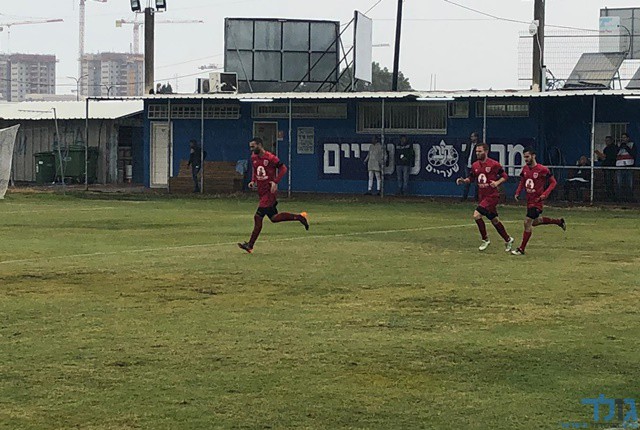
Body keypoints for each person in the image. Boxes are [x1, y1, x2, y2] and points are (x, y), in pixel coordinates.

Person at [237, 137, 309, 254]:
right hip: (261, 192)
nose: (251, 149)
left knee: (258, 217)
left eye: (253, 146)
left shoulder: (270, 158)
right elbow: (255, 170)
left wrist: (275, 182)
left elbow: (283, 168)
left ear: (260, 145)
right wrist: (253, 181)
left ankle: (250, 245)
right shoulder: (254, 157)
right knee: (274, 218)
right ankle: (299, 217)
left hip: (269, 193)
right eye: (250, 147)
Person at [455, 143, 514, 252]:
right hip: (483, 196)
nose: (477, 153)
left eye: (480, 151)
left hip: (492, 196)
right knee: (494, 220)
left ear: (486, 151)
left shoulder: (494, 164)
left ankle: (485, 239)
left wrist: (497, 183)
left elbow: (505, 176)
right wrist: (463, 181)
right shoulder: (475, 165)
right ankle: (508, 239)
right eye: (476, 151)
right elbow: (471, 178)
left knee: (477, 215)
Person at [511, 148, 566, 256]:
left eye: (527, 157)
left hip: (537, 202)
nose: (526, 159)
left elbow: (553, 182)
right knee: (535, 222)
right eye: (524, 157)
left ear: (533, 156)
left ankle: (521, 249)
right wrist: (517, 192)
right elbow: (522, 182)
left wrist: (545, 194)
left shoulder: (542, 169)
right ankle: (559, 222)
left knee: (527, 222)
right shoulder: (525, 169)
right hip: (529, 201)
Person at [594, 136, 618, 201]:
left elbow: (612, 157)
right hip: (606, 167)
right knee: (607, 182)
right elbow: (603, 158)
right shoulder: (606, 148)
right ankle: (608, 196)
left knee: (610, 182)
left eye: (608, 140)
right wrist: (600, 157)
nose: (606, 142)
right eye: (606, 141)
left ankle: (612, 197)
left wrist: (605, 157)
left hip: (611, 167)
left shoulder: (614, 148)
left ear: (612, 141)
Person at [615, 133, 637, 202]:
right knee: (619, 184)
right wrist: (620, 147)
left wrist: (626, 147)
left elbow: (634, 154)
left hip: (629, 166)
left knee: (629, 184)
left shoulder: (631, 144)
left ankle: (629, 198)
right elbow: (615, 154)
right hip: (620, 166)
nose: (623, 139)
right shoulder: (618, 145)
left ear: (628, 138)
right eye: (622, 137)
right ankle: (619, 198)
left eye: (624, 137)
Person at [461, 132, 481, 201]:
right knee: (467, 181)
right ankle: (464, 197)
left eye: (473, 136)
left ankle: (476, 198)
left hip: (475, 166)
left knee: (476, 183)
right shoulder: (469, 144)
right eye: (471, 136)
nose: (471, 138)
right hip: (468, 165)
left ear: (476, 137)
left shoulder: (479, 146)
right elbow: (466, 152)